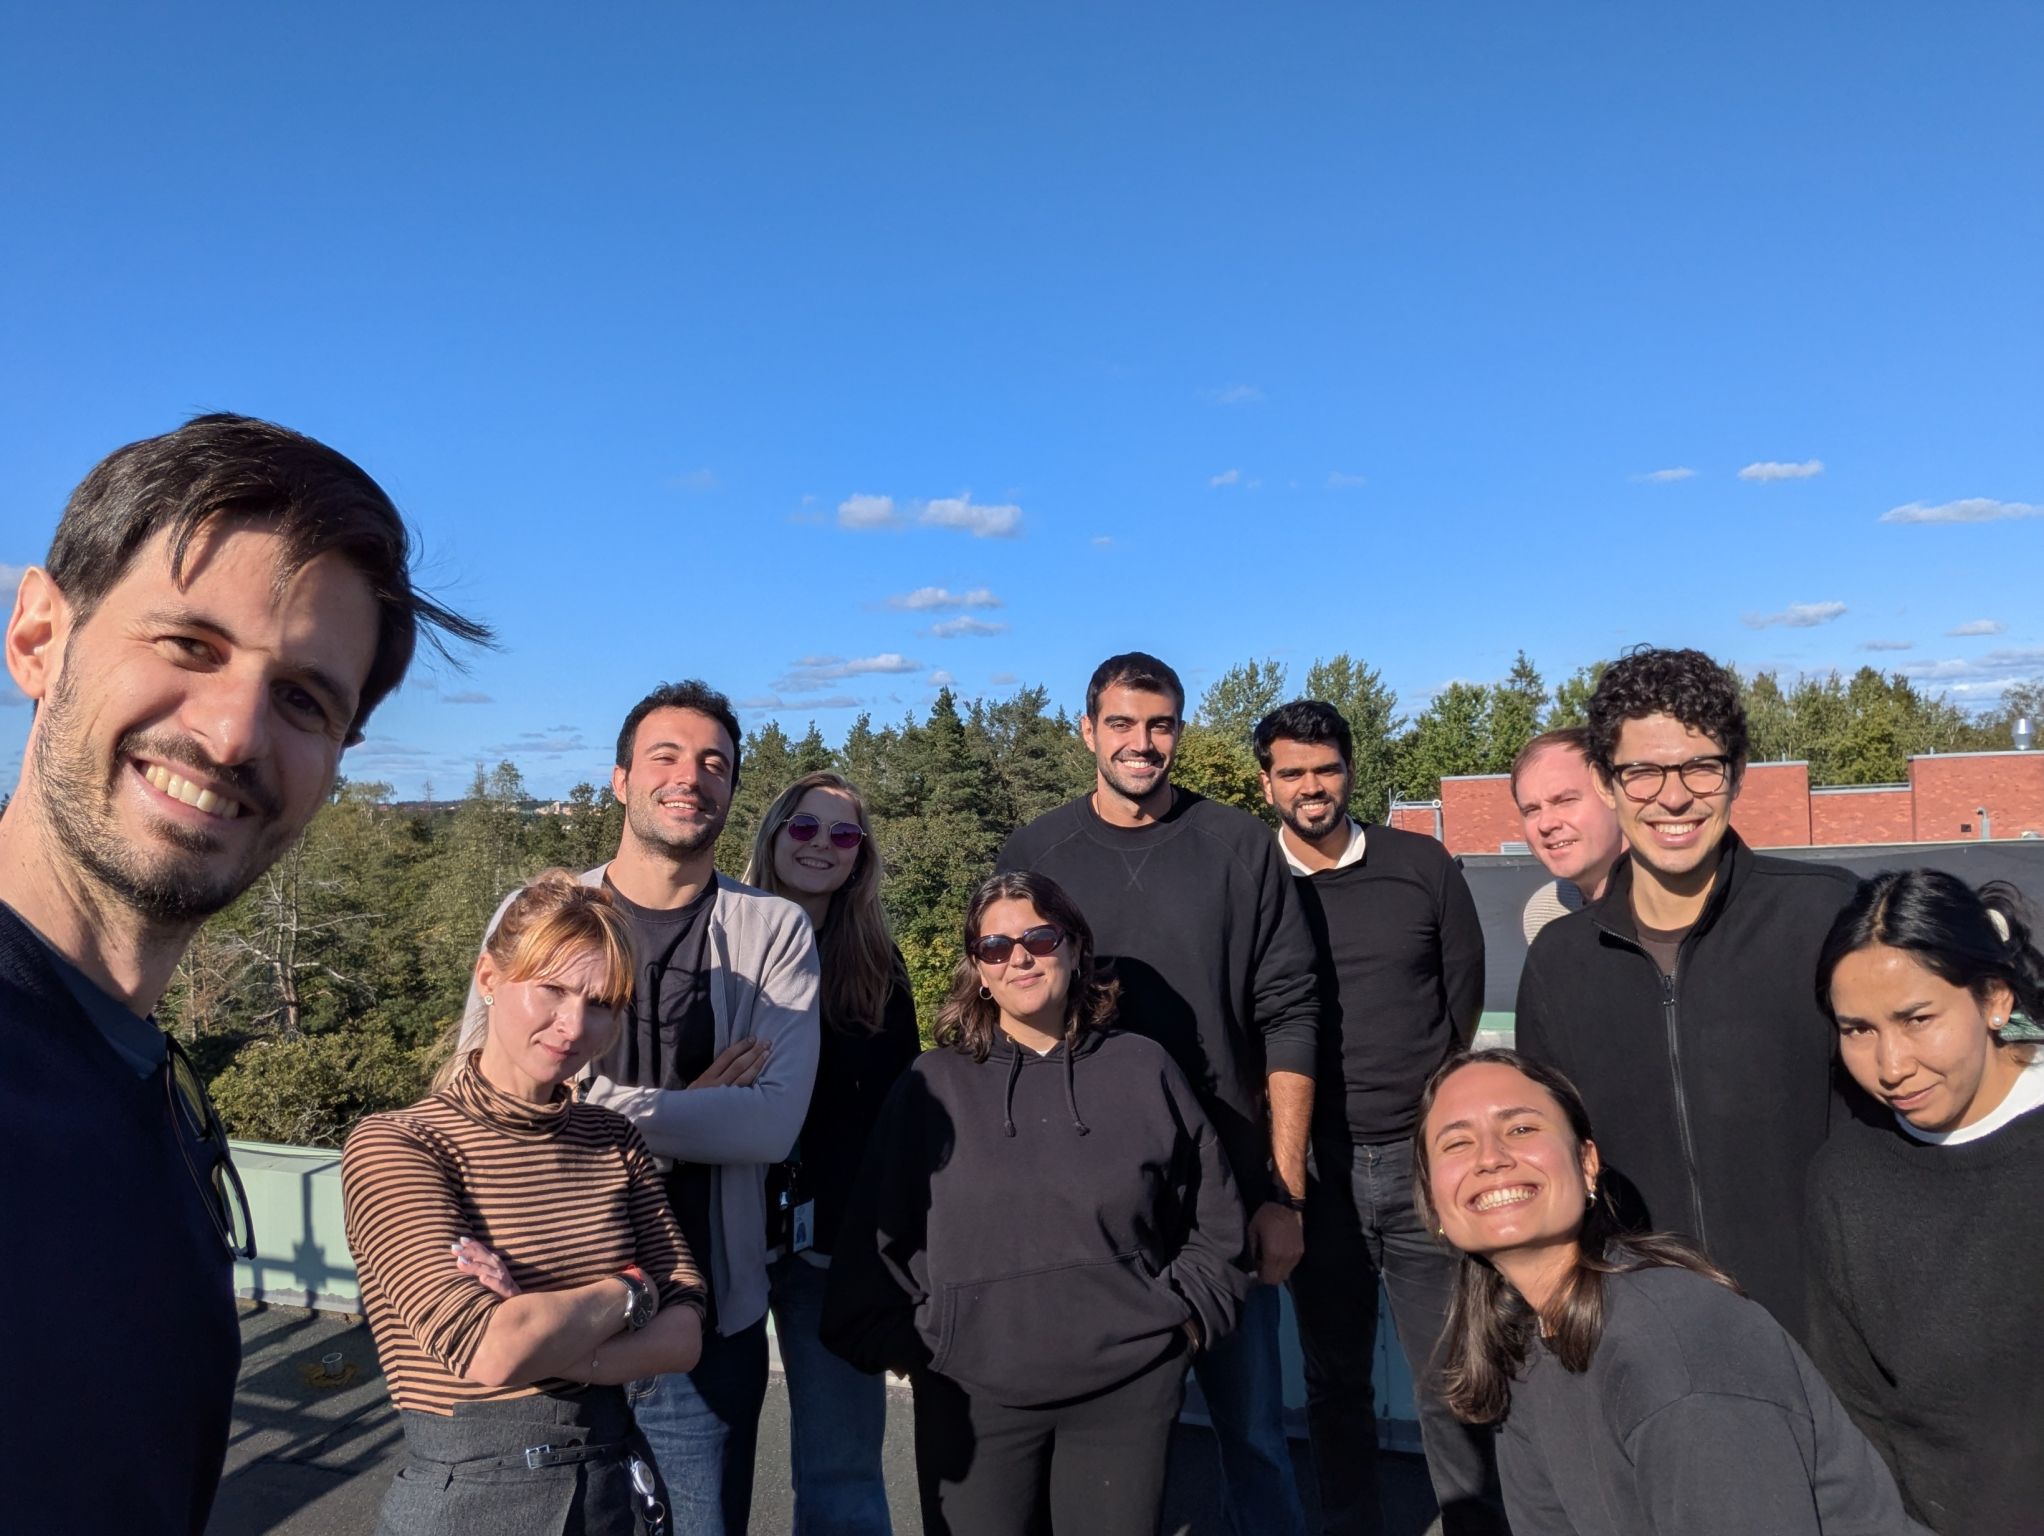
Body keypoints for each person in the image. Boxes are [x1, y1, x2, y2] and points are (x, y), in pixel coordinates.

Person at [0, 414, 488, 1535]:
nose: (231, 735)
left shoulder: (145, 1089)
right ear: (38, 635)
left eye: (305, 699)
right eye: (189, 645)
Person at [461, 680, 819, 1535]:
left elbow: (771, 1125)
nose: (689, 776)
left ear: (733, 791)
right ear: (620, 779)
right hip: (541, 1300)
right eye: (665, 756)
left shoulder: (773, 931)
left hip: (702, 1320)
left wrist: (596, 1104)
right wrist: (692, 1110)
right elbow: (478, 1088)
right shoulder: (538, 914)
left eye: (714, 764)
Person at [996, 651, 1318, 1536]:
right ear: (1087, 731)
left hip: (1225, 1198)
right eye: (1124, 725)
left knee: (1253, 1435)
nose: (1143, 743)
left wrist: (1282, 1192)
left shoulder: (1240, 845)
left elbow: (1289, 1015)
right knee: (1103, 1444)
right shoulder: (1039, 853)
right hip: (1086, 1204)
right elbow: (1007, 1016)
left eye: (1161, 724)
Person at [823, 871, 1248, 1536]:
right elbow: (873, 1243)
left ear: (1075, 948)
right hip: (972, 1398)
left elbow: (1215, 1220)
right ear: (978, 972)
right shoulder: (931, 1088)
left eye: (1039, 938)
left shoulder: (1144, 1069)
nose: (1018, 957)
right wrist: (930, 1348)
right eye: (994, 948)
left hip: (1127, 1397)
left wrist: (1183, 1326)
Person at [1414, 1049, 1928, 1536]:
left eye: (1521, 1128)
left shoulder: (1673, 1339)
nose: (1491, 1158)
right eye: (1457, 1143)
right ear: (1434, 1205)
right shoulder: (1523, 1342)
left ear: (1587, 1163)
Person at [343, 873, 707, 1534]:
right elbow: (489, 1349)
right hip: (472, 1501)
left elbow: (685, 1332)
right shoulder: (400, 1146)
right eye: (553, 988)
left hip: (613, 1489)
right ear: (489, 976)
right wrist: (630, 1290)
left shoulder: (613, 1139)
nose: (574, 1025)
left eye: (600, 1001)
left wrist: (552, 1331)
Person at [1512, 646, 1857, 1338]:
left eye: (1701, 766)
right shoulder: (1560, 963)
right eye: (1642, 771)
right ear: (1609, 785)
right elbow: (1551, 1161)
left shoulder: (1828, 919)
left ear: (1738, 774)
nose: (1673, 797)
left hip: (1829, 1348)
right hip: (1652, 1349)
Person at [1252, 701, 1502, 1536]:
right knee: (1334, 1383)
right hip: (1312, 1174)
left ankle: (1471, 1522)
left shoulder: (1420, 865)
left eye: (1326, 769)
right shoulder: (1250, 882)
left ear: (1350, 770)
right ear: (1267, 783)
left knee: (1450, 1377)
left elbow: (1459, 1000)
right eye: (1293, 772)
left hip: (1421, 1163)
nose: (1311, 787)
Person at [1805, 871, 2044, 1532]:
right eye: (1857, 1030)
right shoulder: (1846, 1180)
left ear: (1994, 999)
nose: (1890, 1063)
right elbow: (1857, 1409)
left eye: (1917, 1019)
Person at [740, 771, 919, 1534]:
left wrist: (896, 1258)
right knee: (696, 1462)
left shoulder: (879, 967)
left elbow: (901, 1120)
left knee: (842, 1471)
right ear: (774, 835)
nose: (821, 846)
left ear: (861, 857)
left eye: (842, 835)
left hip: (832, 1254)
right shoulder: (715, 948)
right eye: (804, 828)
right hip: (721, 1242)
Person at [1509, 728, 1626, 942]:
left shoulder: (1687, 902)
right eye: (1531, 810)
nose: (1546, 824)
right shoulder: (1546, 913)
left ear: (1616, 796)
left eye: (1565, 801)